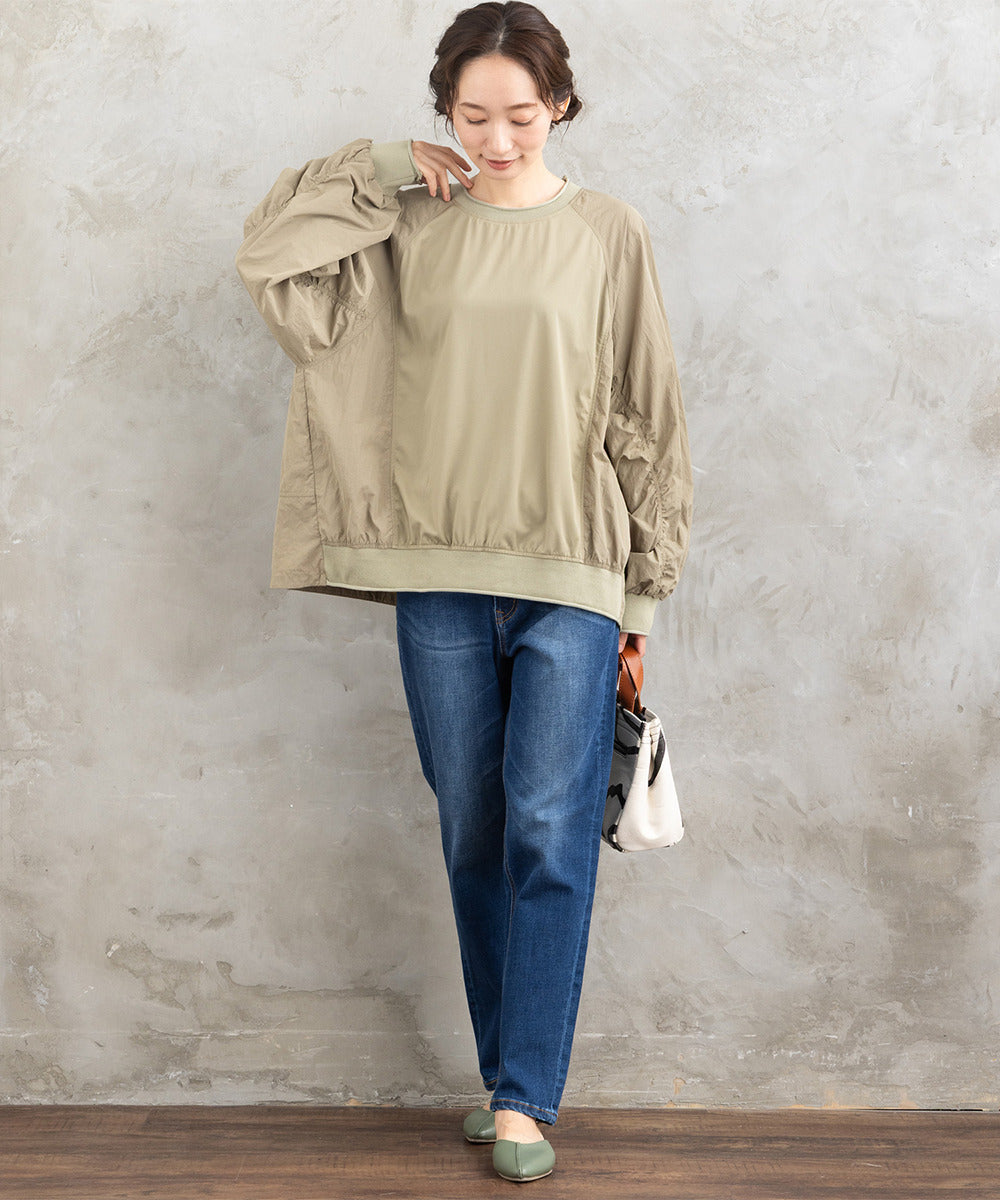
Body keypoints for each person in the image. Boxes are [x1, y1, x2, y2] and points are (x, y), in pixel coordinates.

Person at [235, 1, 692, 1182]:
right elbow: (270, 254)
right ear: (442, 110)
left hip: (572, 570)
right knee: (476, 827)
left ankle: (525, 1098)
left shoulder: (607, 231)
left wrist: (643, 596)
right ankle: (506, 1082)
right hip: (434, 573)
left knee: (549, 826)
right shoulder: (405, 224)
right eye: (472, 116)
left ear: (561, 107)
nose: (496, 140)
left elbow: (646, 412)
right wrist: (384, 168)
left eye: (521, 116)